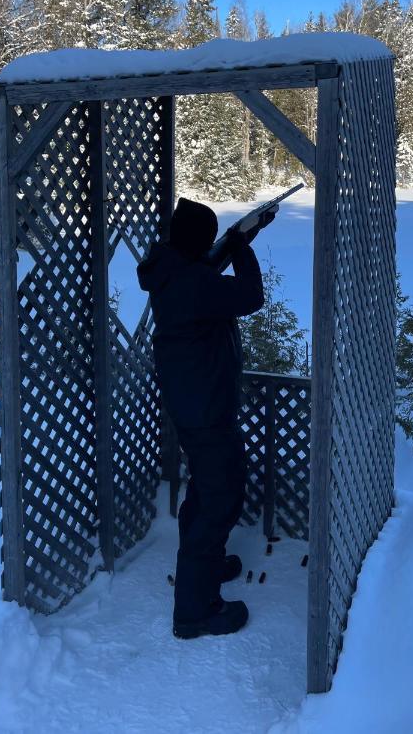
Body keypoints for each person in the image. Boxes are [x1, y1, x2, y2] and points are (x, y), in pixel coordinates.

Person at [136, 197, 275, 639]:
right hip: (206, 408)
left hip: (195, 403)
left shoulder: (172, 269)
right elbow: (251, 295)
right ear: (197, 242)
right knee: (218, 500)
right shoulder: (192, 280)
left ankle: (209, 566)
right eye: (209, 238)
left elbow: (204, 270)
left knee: (207, 490)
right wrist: (240, 248)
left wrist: (241, 236)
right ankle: (195, 611)